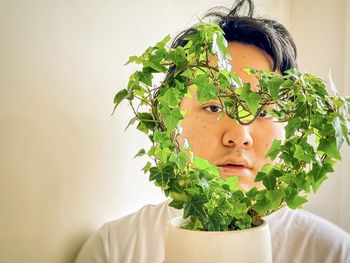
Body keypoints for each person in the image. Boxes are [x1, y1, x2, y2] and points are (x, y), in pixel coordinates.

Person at [75, 1, 350, 262]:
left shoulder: (333, 254)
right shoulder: (114, 249)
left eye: (264, 112)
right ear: (167, 118)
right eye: (214, 107)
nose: (239, 136)